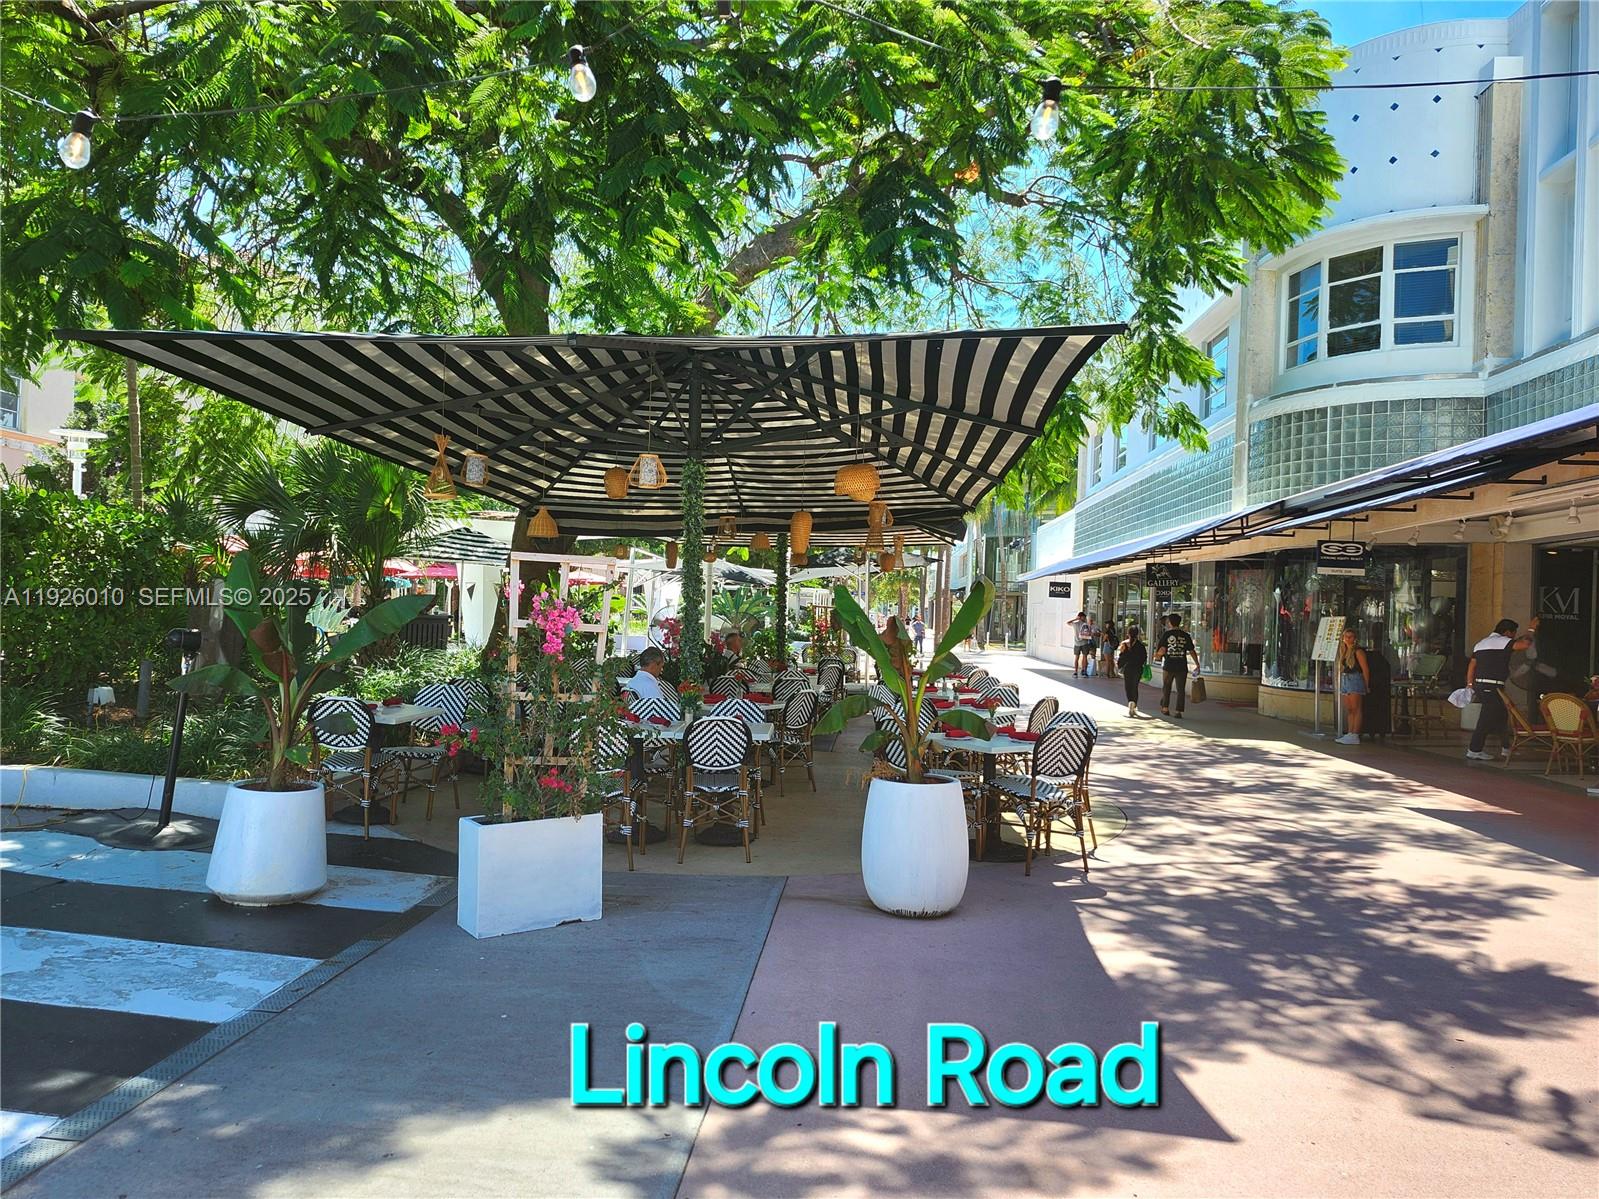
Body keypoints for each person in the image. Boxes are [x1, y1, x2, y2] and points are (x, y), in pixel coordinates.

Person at [1465, 617, 1538, 760]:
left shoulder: (1481, 643)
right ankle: (1474, 749)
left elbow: (1472, 665)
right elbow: (1524, 645)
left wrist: (1469, 684)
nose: (1513, 637)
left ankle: (1506, 747)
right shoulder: (1503, 641)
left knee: (1501, 716)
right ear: (1507, 632)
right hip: (1492, 685)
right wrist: (1531, 629)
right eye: (1513, 633)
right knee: (1486, 719)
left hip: (1482, 685)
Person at [1156, 613, 1201, 718]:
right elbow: (1191, 650)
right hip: (1181, 666)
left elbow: (1162, 649)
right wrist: (1197, 663)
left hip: (1169, 665)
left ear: (1170, 623)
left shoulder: (1166, 635)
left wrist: (1157, 656)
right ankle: (1178, 711)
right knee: (1181, 689)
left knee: (1167, 687)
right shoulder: (1186, 635)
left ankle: (1165, 708)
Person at [1335, 627, 1371, 746]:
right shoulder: (1344, 651)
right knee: (1350, 709)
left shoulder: (1358, 651)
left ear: (1355, 638)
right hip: (1346, 679)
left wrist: (1366, 684)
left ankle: (1355, 734)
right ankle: (1350, 732)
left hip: (1355, 679)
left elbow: (1365, 669)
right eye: (1346, 637)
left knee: (1357, 708)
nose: (1348, 639)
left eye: (1351, 637)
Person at [1116, 625, 1147, 718]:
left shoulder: (1124, 644)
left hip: (1127, 668)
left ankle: (1130, 702)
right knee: (1135, 686)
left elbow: (1121, 656)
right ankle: (1134, 704)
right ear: (1137, 634)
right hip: (1137, 668)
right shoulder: (1141, 646)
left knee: (1128, 687)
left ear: (1128, 634)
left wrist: (1119, 664)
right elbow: (1144, 658)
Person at [1069, 611, 1092, 677]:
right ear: (1082, 617)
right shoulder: (1085, 624)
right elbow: (1089, 633)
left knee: (1077, 658)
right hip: (1084, 643)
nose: (1085, 618)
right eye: (1084, 617)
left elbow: (1068, 623)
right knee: (1085, 657)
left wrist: (1076, 619)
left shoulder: (1075, 624)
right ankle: (1084, 671)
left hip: (1077, 643)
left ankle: (1076, 672)